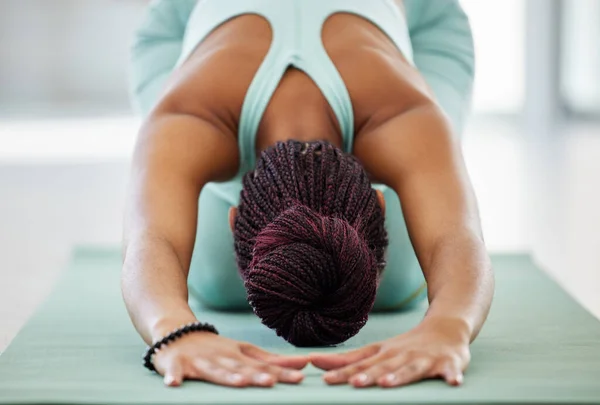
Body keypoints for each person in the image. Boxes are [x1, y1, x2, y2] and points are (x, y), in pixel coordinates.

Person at [122, 0, 494, 390]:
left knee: (395, 280)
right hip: (193, 39)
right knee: (215, 279)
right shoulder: (188, 111)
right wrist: (172, 331)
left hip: (416, 26)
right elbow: (149, 238)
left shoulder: (404, 112)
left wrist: (449, 327)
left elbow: (457, 238)